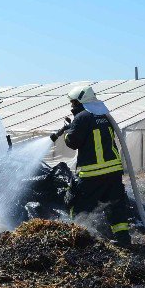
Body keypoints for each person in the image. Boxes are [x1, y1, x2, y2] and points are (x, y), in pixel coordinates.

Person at [53, 85, 133, 248]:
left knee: (77, 203)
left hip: (92, 172)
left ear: (80, 101)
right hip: (113, 172)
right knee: (115, 205)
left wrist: (68, 132)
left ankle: (80, 238)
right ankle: (123, 239)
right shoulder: (104, 115)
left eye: (73, 102)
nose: (72, 106)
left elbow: (73, 143)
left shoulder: (83, 117)